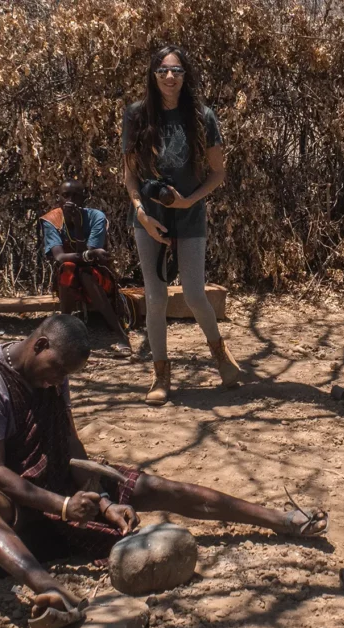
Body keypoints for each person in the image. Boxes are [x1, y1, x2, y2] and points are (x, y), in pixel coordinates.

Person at [0, 315, 327, 628]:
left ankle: (279, 518)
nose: (58, 380)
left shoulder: (53, 378)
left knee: (150, 485)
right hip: (8, 499)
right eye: (57, 369)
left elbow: (72, 448)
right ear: (40, 345)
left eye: (65, 375)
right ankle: (49, 591)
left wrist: (105, 502)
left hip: (54, 481)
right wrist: (62, 505)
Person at [122, 45, 240, 406]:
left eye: (176, 71)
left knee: (193, 293)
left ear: (185, 76)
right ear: (153, 75)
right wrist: (141, 211)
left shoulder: (203, 116)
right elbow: (129, 176)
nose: (169, 77)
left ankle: (220, 353)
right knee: (155, 297)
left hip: (190, 214)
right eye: (162, 71)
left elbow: (218, 171)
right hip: (148, 216)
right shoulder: (136, 115)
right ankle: (161, 374)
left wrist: (191, 199)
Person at [41, 180, 132, 358]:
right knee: (68, 268)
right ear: (59, 198)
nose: (70, 200)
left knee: (85, 273)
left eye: (75, 196)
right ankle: (63, 331)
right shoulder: (52, 220)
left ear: (84, 198)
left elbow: (91, 260)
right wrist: (89, 255)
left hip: (98, 277)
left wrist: (79, 228)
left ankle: (120, 334)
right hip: (68, 279)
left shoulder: (96, 217)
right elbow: (60, 257)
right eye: (65, 195)